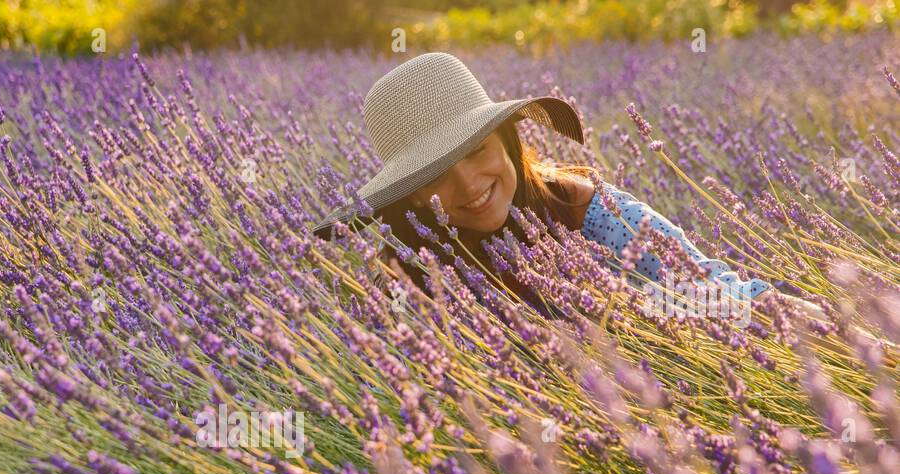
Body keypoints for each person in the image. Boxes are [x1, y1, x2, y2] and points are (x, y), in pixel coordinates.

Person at [311, 52, 824, 322]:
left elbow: (702, 284)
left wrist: (807, 322)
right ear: (414, 196)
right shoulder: (404, 279)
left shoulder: (584, 207)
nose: (469, 185)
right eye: (436, 176)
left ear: (509, 142)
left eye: (476, 152)